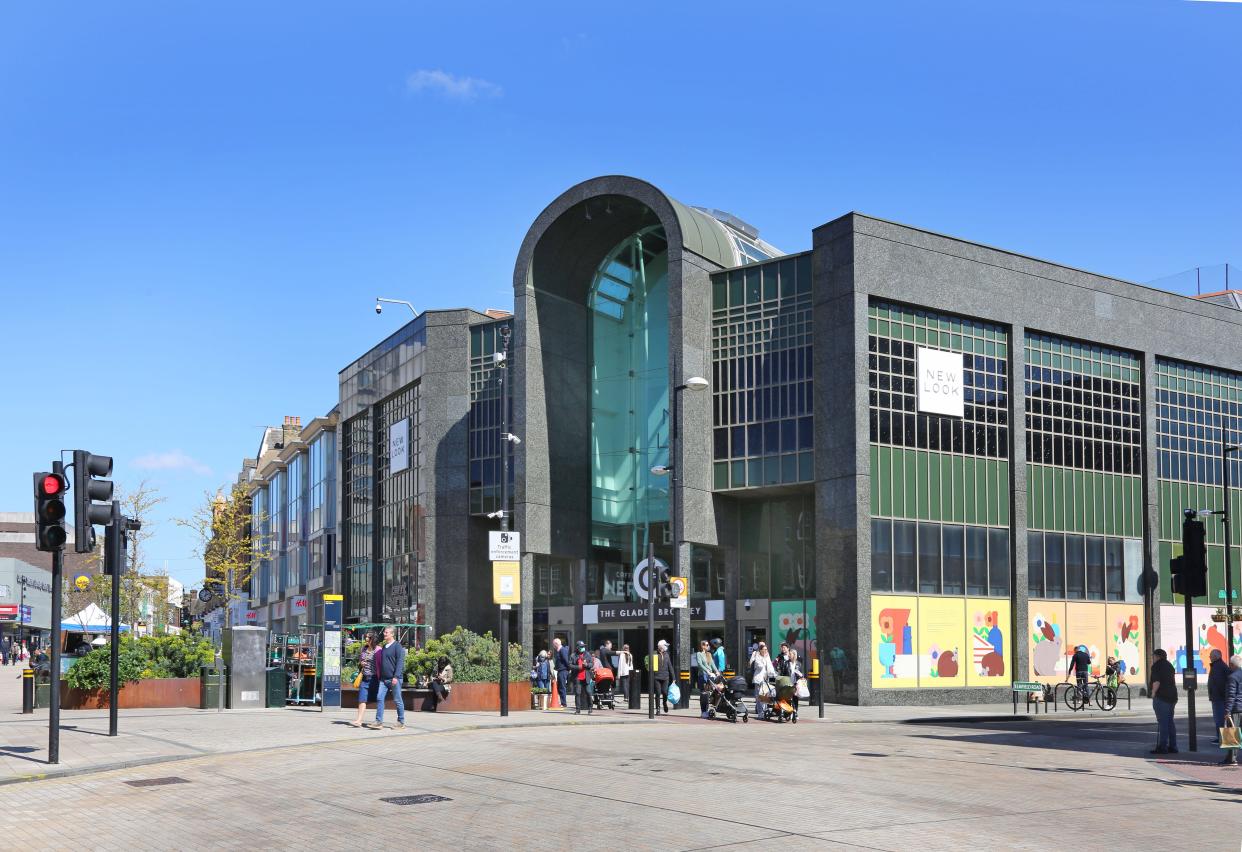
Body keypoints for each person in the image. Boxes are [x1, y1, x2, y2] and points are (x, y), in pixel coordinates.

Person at [370, 626, 407, 730]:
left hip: (394, 679)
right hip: (383, 679)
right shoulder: (384, 647)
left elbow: (400, 662)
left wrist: (396, 676)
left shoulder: (397, 646)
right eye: (385, 632)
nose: (384, 634)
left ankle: (401, 722)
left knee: (397, 700)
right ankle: (378, 721)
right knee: (379, 698)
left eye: (386, 632)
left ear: (392, 634)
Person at [1148, 648, 1178, 755]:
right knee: (1170, 722)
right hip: (1172, 696)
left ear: (1157, 656)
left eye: (1153, 656)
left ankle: (1162, 746)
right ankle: (1173, 746)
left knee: (1163, 722)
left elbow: (1156, 682)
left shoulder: (1156, 666)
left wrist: (1153, 693)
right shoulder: (1169, 665)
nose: (1153, 658)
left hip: (1162, 697)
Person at [349, 631, 378, 728]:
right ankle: (359, 720)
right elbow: (360, 660)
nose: (366, 639)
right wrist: (361, 663)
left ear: (373, 639)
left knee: (378, 699)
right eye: (366, 637)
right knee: (362, 699)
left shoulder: (378, 649)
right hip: (365, 677)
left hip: (374, 678)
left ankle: (378, 720)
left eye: (368, 637)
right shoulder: (364, 649)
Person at [1221, 654, 1242, 766]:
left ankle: (1231, 759)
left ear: (1233, 665)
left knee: (1232, 733)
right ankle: (1230, 758)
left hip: (1236, 709)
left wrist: (1227, 711)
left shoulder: (1232, 677)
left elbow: (1231, 696)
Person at [694, 639, 722, 718]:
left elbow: (712, 664)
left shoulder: (709, 654)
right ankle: (703, 711)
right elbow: (700, 664)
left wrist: (716, 671)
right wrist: (707, 670)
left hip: (710, 675)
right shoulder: (699, 654)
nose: (708, 646)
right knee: (704, 693)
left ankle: (709, 709)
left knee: (710, 693)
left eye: (708, 645)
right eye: (706, 645)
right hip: (702, 675)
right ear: (702, 646)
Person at [750, 642, 777, 719]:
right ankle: (760, 713)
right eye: (764, 649)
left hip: (766, 679)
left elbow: (770, 667)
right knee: (759, 696)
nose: (766, 651)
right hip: (758, 679)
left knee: (766, 695)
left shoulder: (767, 656)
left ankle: (765, 711)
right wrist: (763, 660)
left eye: (766, 649)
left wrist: (773, 675)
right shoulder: (757, 656)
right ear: (761, 650)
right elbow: (759, 666)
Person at [1208, 649, 1228, 744]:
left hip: (1219, 698)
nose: (1209, 657)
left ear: (1216, 657)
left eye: (1211, 656)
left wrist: (1222, 696)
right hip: (1219, 697)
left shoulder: (1217, 667)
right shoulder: (1219, 666)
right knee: (1220, 719)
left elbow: (1220, 683)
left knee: (1219, 719)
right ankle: (1220, 737)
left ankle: (1221, 738)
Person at [572, 641, 593, 715]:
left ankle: (590, 708)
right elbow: (570, 665)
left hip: (586, 677)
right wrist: (579, 667)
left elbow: (591, 664)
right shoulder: (573, 655)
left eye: (583, 646)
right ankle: (578, 710)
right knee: (578, 693)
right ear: (577, 647)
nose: (583, 648)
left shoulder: (587, 654)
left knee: (589, 692)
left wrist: (587, 664)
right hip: (578, 677)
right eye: (581, 647)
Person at [651, 639, 673, 715]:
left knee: (665, 692)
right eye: (665, 645)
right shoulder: (655, 654)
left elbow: (670, 666)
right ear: (661, 646)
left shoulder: (667, 654)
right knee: (657, 693)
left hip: (665, 677)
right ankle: (657, 709)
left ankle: (664, 703)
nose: (666, 647)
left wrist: (673, 678)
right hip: (657, 677)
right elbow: (654, 667)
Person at [553, 637, 572, 711]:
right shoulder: (560, 651)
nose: (553, 646)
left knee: (562, 687)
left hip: (563, 671)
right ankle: (563, 702)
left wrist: (569, 668)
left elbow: (566, 660)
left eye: (553, 644)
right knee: (560, 687)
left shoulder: (562, 650)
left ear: (556, 644)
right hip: (561, 671)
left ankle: (563, 703)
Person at [787, 648, 805, 714]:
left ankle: (795, 712)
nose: (789, 655)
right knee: (788, 698)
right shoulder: (786, 663)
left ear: (794, 655)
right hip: (788, 683)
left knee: (795, 698)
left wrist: (800, 675)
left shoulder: (799, 664)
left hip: (795, 683)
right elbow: (783, 673)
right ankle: (788, 712)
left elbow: (802, 674)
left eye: (790, 654)